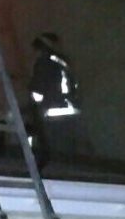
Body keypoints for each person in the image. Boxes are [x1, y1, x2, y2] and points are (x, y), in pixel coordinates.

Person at [28, 32, 85, 160]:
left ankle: (39, 158)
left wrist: (33, 101)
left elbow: (38, 88)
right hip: (70, 107)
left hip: (51, 108)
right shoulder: (64, 61)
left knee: (45, 138)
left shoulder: (44, 62)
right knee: (67, 141)